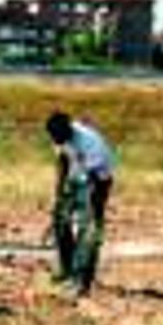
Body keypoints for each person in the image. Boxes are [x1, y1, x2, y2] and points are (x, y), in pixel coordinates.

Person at [45, 111, 115, 298]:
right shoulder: (59, 135)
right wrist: (58, 196)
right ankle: (66, 270)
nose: (56, 141)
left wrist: (90, 213)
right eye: (54, 138)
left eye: (59, 138)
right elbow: (62, 161)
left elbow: (92, 182)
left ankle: (82, 280)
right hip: (76, 177)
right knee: (60, 221)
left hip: (97, 181)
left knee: (88, 231)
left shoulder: (90, 142)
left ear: (68, 131)